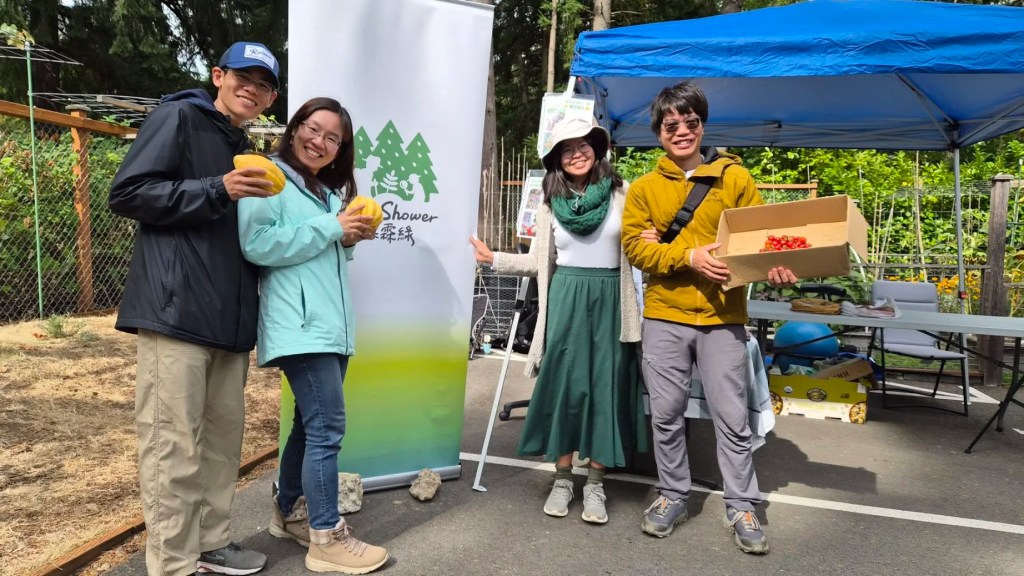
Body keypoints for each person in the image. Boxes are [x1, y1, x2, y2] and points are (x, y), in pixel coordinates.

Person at [109, 41, 282, 576]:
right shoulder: (179, 116)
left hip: (229, 324)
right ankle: (174, 563)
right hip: (176, 312)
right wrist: (217, 188)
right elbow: (129, 193)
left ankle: (211, 543)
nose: (251, 88)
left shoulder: (244, 143)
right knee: (172, 448)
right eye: (243, 77)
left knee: (221, 446)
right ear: (218, 75)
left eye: (264, 83)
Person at [621, 81, 795, 554]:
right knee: (667, 414)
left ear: (702, 124)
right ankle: (673, 493)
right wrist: (689, 257)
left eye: (691, 122)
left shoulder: (736, 179)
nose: (682, 131)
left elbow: (757, 242)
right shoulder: (643, 189)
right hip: (665, 316)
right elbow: (636, 248)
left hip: (723, 317)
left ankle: (741, 504)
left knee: (732, 416)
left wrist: (773, 267)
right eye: (671, 124)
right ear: (658, 131)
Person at [469, 115, 647, 524]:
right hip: (565, 298)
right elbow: (538, 261)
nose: (577, 153)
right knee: (567, 387)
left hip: (612, 302)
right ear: (557, 160)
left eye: (583, 144)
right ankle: (564, 479)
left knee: (607, 388)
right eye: (567, 148)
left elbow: (642, 248)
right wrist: (493, 258)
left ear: (596, 149)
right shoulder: (551, 203)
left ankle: (597, 484)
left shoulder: (625, 194)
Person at [237, 97, 389, 575]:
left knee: (309, 424)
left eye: (332, 138)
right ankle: (326, 537)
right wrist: (331, 226)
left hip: (327, 328)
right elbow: (256, 245)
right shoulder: (269, 177)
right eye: (312, 128)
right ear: (295, 126)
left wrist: (344, 240)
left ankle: (288, 512)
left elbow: (317, 252)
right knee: (327, 430)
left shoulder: (324, 193)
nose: (319, 141)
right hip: (300, 329)